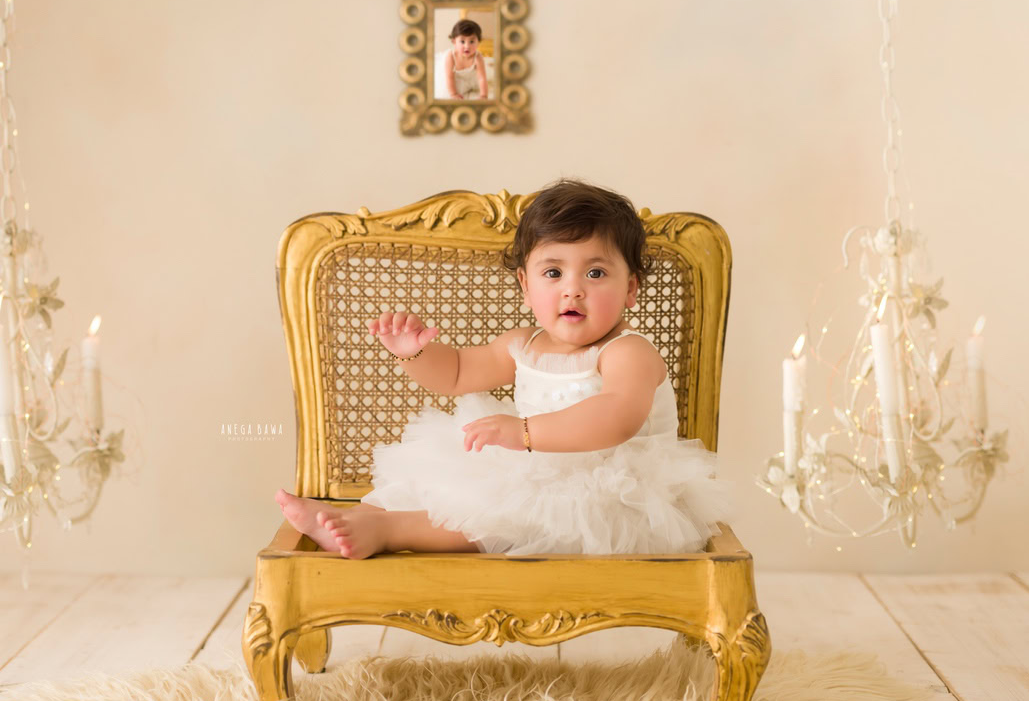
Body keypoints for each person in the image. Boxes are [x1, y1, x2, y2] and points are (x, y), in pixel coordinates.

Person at [276, 178, 735, 559]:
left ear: (630, 289)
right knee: (463, 481)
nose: (572, 290)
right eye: (553, 273)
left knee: (517, 516)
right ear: (525, 285)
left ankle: (388, 531)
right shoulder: (523, 344)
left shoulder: (626, 351)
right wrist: (412, 353)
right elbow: (455, 373)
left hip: (619, 495)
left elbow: (617, 416)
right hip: (538, 470)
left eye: (595, 273)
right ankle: (366, 516)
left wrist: (525, 433)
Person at [442, 19, 488, 100]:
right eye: (462, 41)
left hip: (472, 81)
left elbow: (482, 78)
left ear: (478, 42)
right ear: (454, 42)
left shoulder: (478, 57)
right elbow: (450, 77)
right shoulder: (451, 56)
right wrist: (454, 94)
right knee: (446, 91)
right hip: (457, 81)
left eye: (472, 41)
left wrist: (483, 95)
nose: (467, 46)